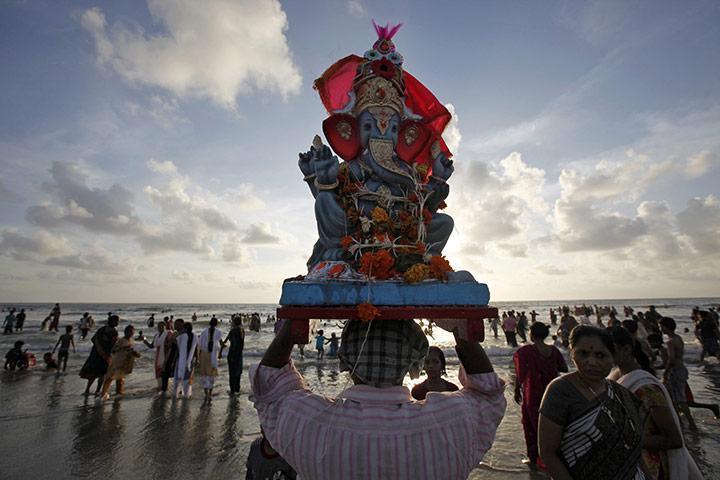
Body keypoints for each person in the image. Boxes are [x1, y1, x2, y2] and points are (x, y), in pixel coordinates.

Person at [249, 317, 506, 479]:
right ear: (414, 365)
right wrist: (459, 326)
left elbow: (268, 386)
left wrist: (297, 319)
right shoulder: (452, 422)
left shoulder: (307, 422)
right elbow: (488, 395)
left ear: (343, 359)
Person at [538, 326, 647, 479]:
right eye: (582, 354)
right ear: (572, 353)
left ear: (613, 358)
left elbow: (633, 449)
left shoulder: (620, 394)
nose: (591, 362)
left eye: (600, 355)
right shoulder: (560, 391)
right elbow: (548, 453)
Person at [607, 326, 699, 480]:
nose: (603, 355)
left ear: (626, 350)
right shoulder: (616, 378)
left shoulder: (645, 388)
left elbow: (674, 439)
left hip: (651, 469)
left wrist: (627, 440)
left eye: (609, 349)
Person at [513, 322, 567, 470]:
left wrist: (517, 389)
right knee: (553, 425)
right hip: (552, 392)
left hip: (533, 394)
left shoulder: (525, 351)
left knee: (532, 425)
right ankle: (553, 457)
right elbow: (564, 368)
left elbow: (520, 372)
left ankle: (534, 459)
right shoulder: (554, 351)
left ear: (532, 335)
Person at [659, 316, 697, 430]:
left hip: (675, 371)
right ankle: (688, 422)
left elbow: (671, 359)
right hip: (682, 369)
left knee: (678, 399)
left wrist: (665, 372)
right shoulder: (678, 338)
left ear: (665, 327)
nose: (660, 329)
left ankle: (688, 423)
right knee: (680, 397)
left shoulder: (670, 342)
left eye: (661, 327)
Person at [79, 314, 119, 396]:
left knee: (93, 373)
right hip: (105, 355)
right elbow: (113, 345)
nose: (118, 322)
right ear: (112, 321)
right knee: (102, 374)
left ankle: (87, 390)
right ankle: (98, 391)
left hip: (95, 353)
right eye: (117, 321)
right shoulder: (114, 332)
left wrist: (98, 347)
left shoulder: (102, 329)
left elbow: (93, 339)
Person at [101, 325, 141, 399]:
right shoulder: (121, 340)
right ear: (125, 332)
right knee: (110, 377)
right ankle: (103, 394)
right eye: (127, 332)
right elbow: (113, 350)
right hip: (117, 361)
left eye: (131, 332)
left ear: (133, 333)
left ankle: (119, 394)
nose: (129, 333)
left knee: (121, 379)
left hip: (124, 362)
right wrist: (123, 348)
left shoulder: (131, 340)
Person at [198, 317, 223, 399]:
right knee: (212, 374)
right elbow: (221, 343)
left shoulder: (204, 332)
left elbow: (200, 345)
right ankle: (210, 392)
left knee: (204, 374)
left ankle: (206, 394)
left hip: (204, 354)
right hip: (213, 354)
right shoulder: (218, 332)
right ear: (216, 324)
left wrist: (198, 357)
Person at [221, 316, 245, 395]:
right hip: (239, 354)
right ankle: (237, 388)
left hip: (232, 354)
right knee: (238, 371)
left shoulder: (232, 331)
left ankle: (232, 390)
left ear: (234, 323)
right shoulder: (242, 330)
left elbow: (224, 342)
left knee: (232, 372)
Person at [174, 322, 198, 398]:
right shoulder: (195, 336)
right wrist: (197, 359)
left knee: (178, 377)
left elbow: (177, 345)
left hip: (182, 357)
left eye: (183, 328)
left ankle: (176, 394)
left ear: (186, 329)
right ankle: (187, 395)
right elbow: (196, 348)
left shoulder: (182, 336)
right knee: (187, 378)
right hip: (190, 359)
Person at [160, 318, 184, 395]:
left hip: (178, 355)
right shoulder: (175, 333)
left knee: (177, 375)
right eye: (175, 324)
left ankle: (179, 391)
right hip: (171, 354)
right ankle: (165, 390)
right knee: (165, 373)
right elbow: (170, 345)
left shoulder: (183, 334)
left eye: (177, 324)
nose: (175, 326)